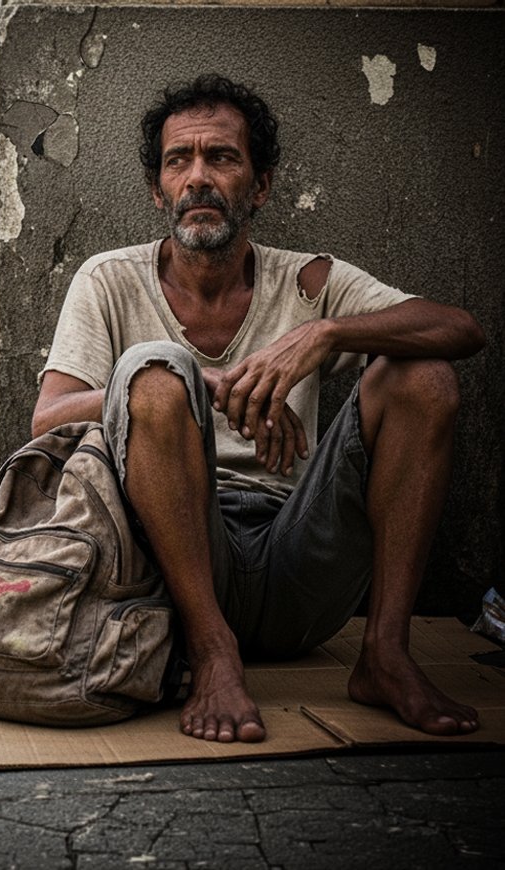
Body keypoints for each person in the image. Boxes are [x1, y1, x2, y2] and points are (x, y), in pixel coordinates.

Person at [32, 74, 483, 743]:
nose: (198, 177)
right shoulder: (109, 279)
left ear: (260, 186)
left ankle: (386, 655)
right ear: (158, 190)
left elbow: (459, 329)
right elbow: (48, 419)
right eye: (178, 161)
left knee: (424, 376)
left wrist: (322, 336)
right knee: (152, 376)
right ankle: (214, 653)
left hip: (299, 559)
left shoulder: (309, 284)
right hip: (174, 570)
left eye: (222, 157)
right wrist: (202, 386)